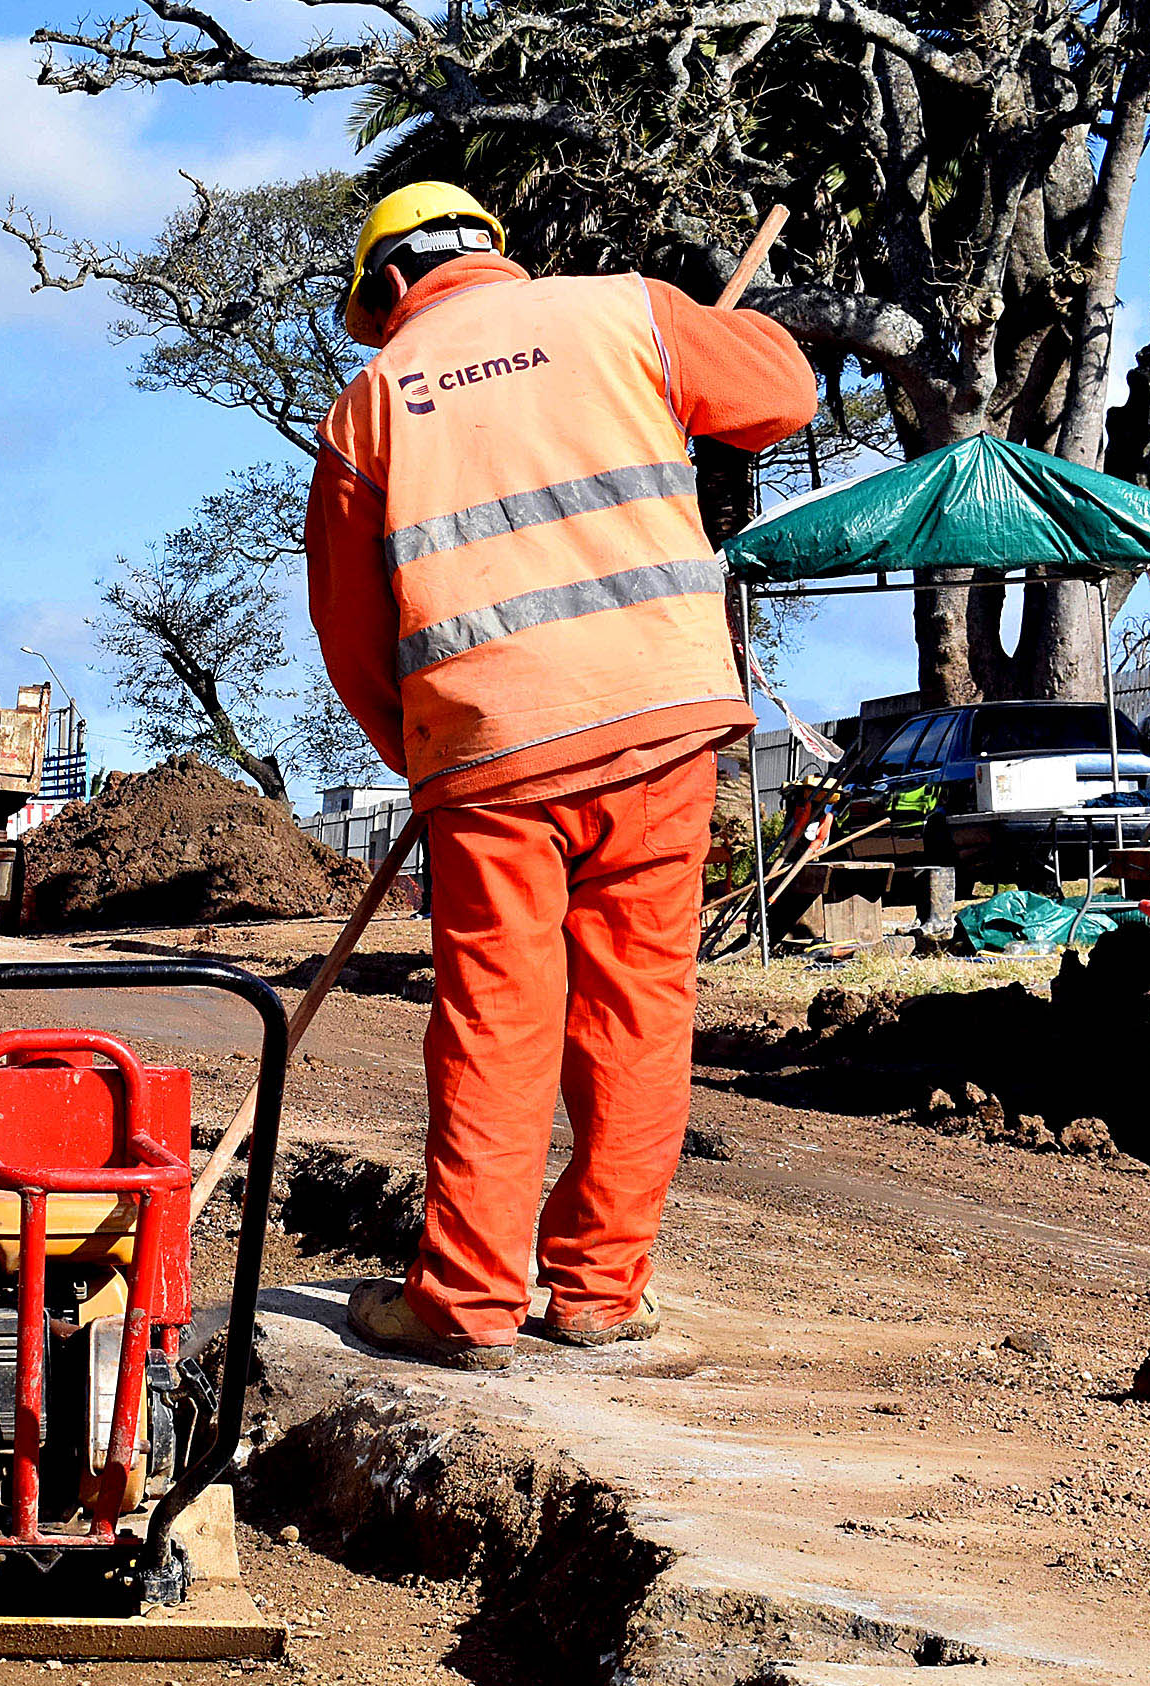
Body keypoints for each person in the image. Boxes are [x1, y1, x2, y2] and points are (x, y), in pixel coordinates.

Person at [305, 182, 816, 1371]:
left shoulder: (370, 402)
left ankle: (467, 1302)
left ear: (388, 289)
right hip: (661, 719)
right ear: (496, 253)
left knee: (496, 1018)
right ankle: (597, 1287)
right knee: (639, 1004)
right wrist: (684, 348)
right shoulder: (626, 315)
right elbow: (782, 394)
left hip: (491, 754)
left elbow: (351, 628)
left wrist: (426, 745)